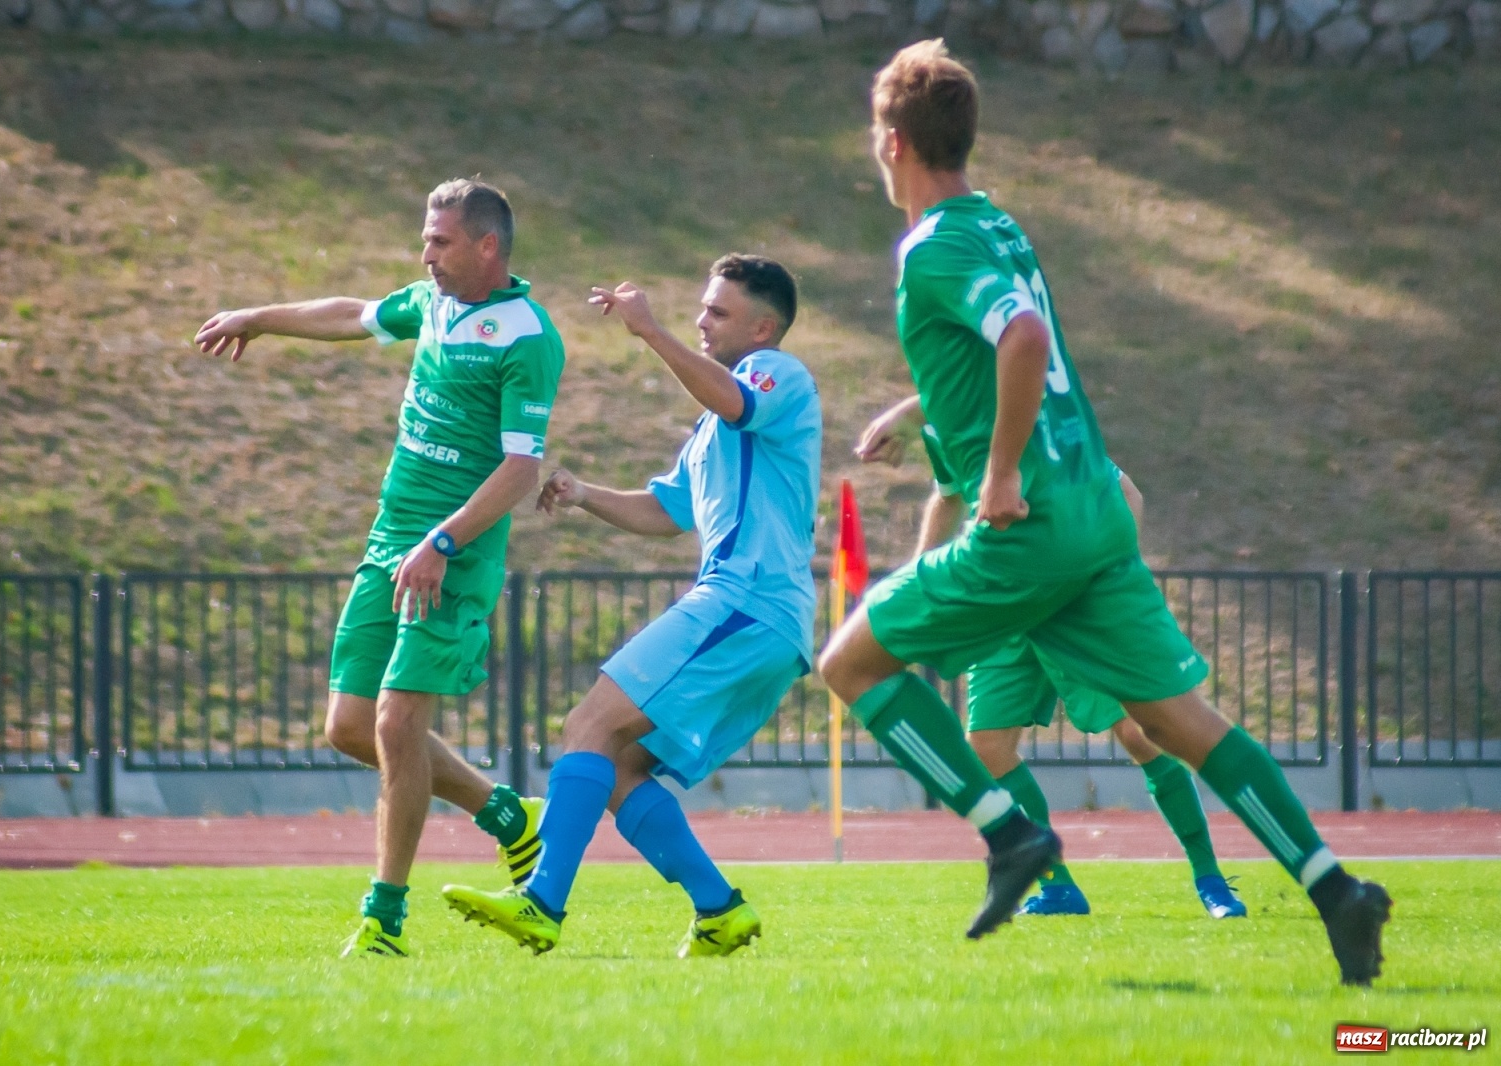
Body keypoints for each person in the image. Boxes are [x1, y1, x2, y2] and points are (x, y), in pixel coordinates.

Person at [816, 40, 1390, 984]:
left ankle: (1010, 838)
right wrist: (924, 418)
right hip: (1093, 513)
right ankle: (1337, 892)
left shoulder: (933, 246)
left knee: (850, 663)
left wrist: (995, 476)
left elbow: (1026, 339)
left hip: (1027, 529)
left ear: (890, 141)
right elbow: (1000, 354)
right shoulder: (999, 226)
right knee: (1180, 722)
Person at [194, 178, 565, 959]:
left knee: (398, 724)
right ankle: (508, 817)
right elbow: (353, 315)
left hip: (454, 555)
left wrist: (445, 542)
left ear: (488, 247)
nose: (425, 254)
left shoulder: (527, 336)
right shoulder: (432, 305)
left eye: (441, 242)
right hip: (390, 543)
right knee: (351, 728)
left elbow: (521, 470)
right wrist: (258, 319)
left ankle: (383, 918)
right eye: (426, 240)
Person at [441, 254, 820, 957]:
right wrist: (586, 495)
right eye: (702, 309)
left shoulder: (776, 375)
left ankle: (541, 901)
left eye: (718, 311)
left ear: (764, 327)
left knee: (588, 721)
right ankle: (719, 910)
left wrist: (649, 331)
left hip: (748, 599)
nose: (702, 321)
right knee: (616, 766)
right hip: (761, 618)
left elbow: (735, 401)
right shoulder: (712, 428)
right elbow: (666, 510)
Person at [857, 398, 1247, 919]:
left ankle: (1211, 879)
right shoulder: (943, 423)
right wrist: (916, 581)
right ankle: (1058, 886)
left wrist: (1099, 575)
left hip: (1069, 604)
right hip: (1000, 606)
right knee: (988, 749)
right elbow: (948, 496)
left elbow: (1126, 494)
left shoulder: (1036, 420)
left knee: (1141, 732)